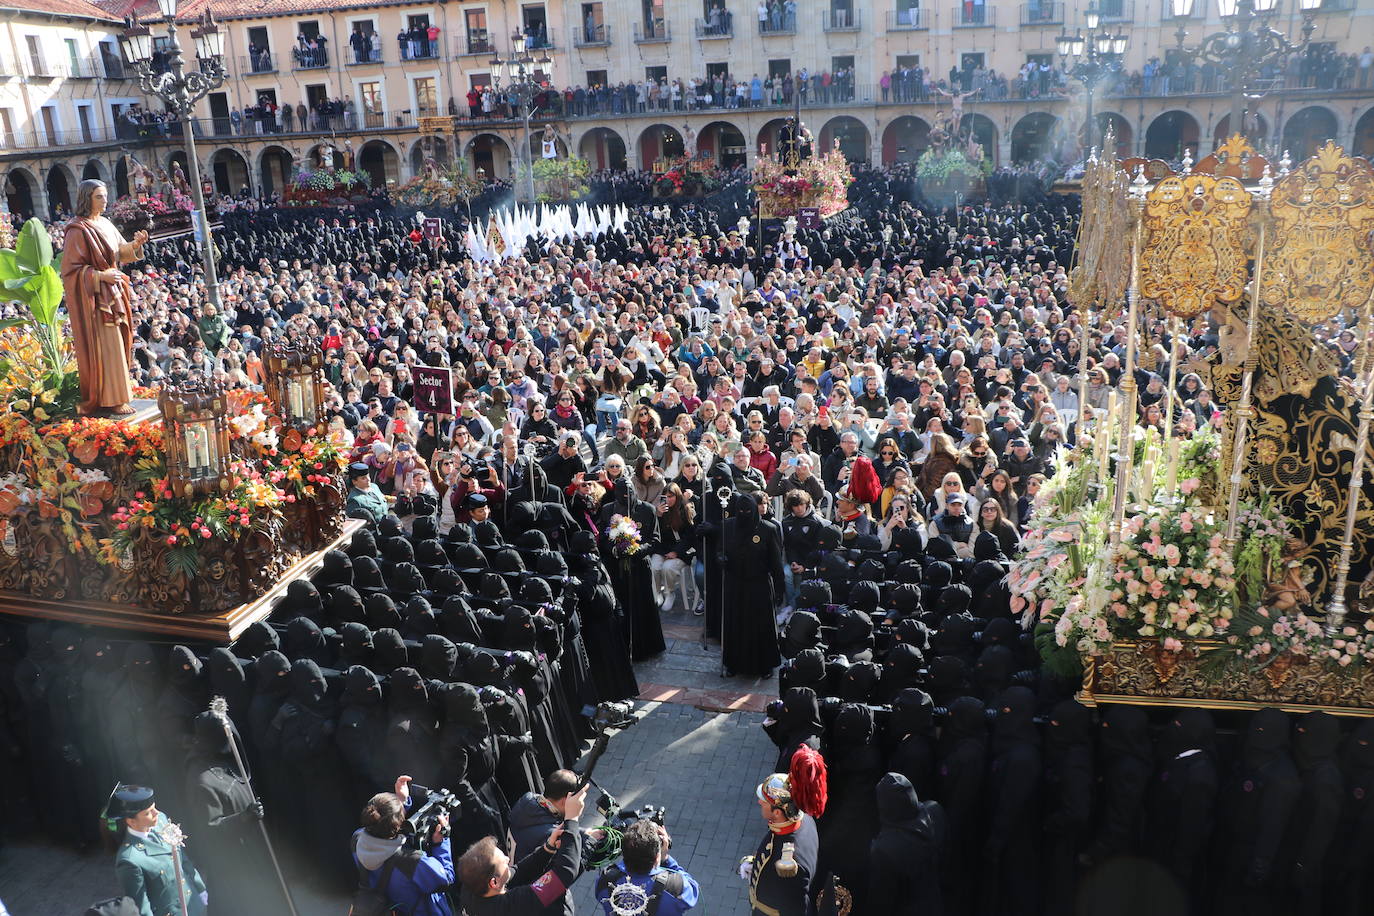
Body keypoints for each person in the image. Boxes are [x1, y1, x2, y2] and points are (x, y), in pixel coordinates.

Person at [61, 179, 148, 416]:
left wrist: (135, 244)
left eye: (105, 195)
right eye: (99, 196)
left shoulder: (106, 223)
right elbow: (70, 271)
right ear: (86, 198)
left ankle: (121, 393)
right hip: (97, 299)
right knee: (108, 347)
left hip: (114, 292)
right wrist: (100, 276)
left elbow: (120, 251)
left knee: (120, 343)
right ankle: (112, 398)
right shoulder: (77, 229)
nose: (105, 200)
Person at [458, 784, 587, 915]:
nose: (508, 859)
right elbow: (564, 873)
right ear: (494, 883)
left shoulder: (471, 886)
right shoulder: (511, 907)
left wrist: (547, 848)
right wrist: (572, 819)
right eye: (504, 862)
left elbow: (517, 871)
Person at [351, 775, 456, 916]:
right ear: (399, 824)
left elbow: (383, 824)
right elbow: (446, 879)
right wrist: (441, 842)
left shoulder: (357, 839)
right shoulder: (412, 862)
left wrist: (402, 801)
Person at [743, 747, 824, 916]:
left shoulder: (790, 864)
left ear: (778, 812)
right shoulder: (802, 820)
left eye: (764, 802)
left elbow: (794, 909)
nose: (759, 802)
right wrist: (756, 864)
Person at [105, 784, 209, 916]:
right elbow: (140, 906)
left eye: (154, 808)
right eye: (148, 812)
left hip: (193, 904)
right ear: (131, 822)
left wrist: (200, 889)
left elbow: (182, 859)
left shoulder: (161, 820)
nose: (156, 813)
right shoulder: (130, 860)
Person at [595, 818, 699, 915]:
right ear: (657, 857)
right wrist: (666, 859)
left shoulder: (605, 880)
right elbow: (693, 890)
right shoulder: (675, 887)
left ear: (624, 854)